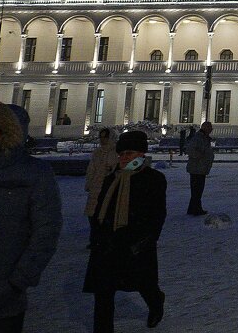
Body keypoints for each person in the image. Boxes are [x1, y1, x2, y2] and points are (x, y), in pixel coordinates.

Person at [0, 102, 62, 333]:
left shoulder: (34, 173)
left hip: (2, 295)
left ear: (11, 131)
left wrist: (19, 280)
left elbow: (46, 230)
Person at [83, 129, 167, 332]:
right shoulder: (112, 179)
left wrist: (144, 241)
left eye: (128, 153)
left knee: (144, 284)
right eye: (121, 154)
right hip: (108, 245)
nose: (123, 158)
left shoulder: (153, 179)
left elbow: (157, 215)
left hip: (135, 244)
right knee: (103, 294)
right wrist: (97, 236)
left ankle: (156, 302)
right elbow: (100, 209)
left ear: (141, 154)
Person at [85, 127, 118, 218]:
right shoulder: (97, 152)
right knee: (93, 212)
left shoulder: (116, 152)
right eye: (101, 137)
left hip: (109, 185)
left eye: (105, 137)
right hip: (96, 184)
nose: (103, 139)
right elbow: (91, 169)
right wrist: (89, 183)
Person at [184, 121, 214, 215]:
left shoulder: (203, 138)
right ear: (204, 128)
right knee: (197, 190)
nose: (211, 129)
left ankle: (194, 208)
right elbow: (190, 149)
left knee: (197, 190)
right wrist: (200, 156)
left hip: (200, 167)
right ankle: (195, 209)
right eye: (209, 127)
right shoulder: (199, 138)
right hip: (197, 167)